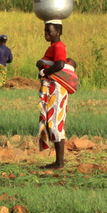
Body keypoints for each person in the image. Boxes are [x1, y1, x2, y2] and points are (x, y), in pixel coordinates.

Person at [37, 19, 77, 170]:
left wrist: (44, 71)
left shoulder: (59, 46)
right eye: (45, 31)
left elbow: (59, 64)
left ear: (58, 32)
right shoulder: (53, 47)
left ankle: (59, 162)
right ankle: (58, 161)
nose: (46, 34)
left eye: (50, 31)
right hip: (52, 88)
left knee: (55, 123)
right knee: (52, 122)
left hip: (57, 88)